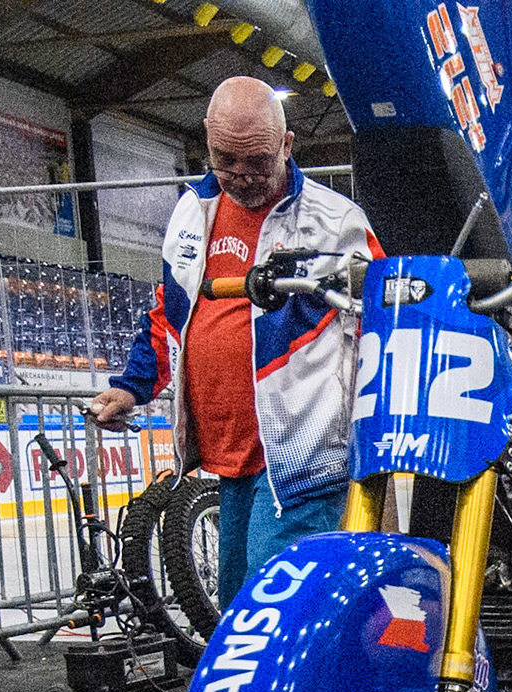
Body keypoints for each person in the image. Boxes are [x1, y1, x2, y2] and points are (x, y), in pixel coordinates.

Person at [89, 76, 379, 608]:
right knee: (237, 606)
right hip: (231, 457)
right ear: (206, 139)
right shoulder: (191, 210)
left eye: (258, 161)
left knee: (274, 612)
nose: (242, 176)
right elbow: (170, 312)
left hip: (303, 455)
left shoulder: (338, 222)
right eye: (226, 160)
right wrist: (132, 386)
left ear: (287, 145)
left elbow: (384, 323)